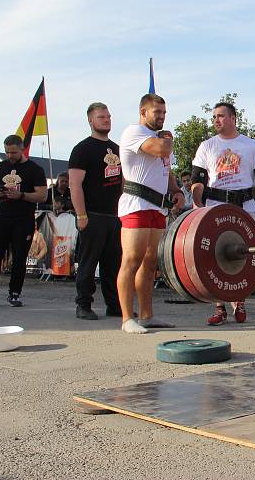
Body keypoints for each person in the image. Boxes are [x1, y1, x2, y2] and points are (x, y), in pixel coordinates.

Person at [190, 101, 255, 326]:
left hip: (245, 205)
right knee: (214, 256)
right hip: (215, 205)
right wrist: (197, 204)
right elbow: (197, 179)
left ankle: (240, 300)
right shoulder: (207, 146)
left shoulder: (251, 145)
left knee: (243, 254)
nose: (216, 120)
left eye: (221, 116)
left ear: (234, 118)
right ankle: (219, 308)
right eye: (214, 117)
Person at [116, 93, 185, 334]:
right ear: (143, 112)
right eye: (158, 113)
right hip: (136, 204)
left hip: (157, 206)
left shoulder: (158, 137)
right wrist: (167, 137)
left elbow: (167, 169)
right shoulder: (134, 132)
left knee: (149, 261)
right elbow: (163, 150)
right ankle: (127, 318)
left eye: (164, 113)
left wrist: (176, 191)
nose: (162, 117)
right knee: (131, 259)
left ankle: (146, 315)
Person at [68, 102, 124, 320]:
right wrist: (81, 215)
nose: (107, 120)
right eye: (101, 117)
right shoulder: (82, 149)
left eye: (108, 116)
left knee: (114, 265)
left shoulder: (117, 149)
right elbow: (75, 185)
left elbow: (122, 183)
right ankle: (83, 305)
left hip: (114, 217)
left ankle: (114, 305)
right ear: (91, 120)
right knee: (88, 264)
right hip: (92, 215)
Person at [0, 135, 47, 308]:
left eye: (13, 152)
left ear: (22, 149)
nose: (10, 155)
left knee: (19, 257)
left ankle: (14, 294)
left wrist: (21, 195)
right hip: (1, 217)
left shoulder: (35, 169)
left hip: (23, 219)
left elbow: (42, 195)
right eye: (7, 152)